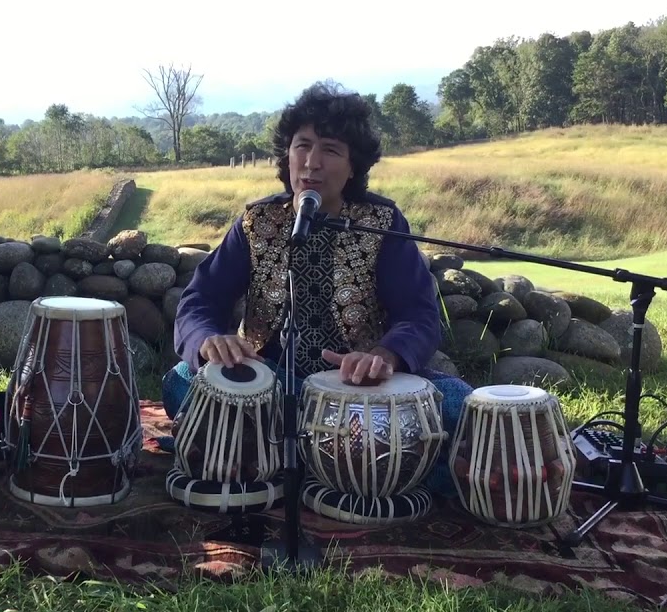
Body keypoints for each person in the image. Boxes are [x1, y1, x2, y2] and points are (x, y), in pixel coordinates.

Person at [164, 82, 472, 499]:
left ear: (352, 166)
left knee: (460, 403)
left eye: (330, 150)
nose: (311, 162)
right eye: (301, 146)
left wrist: (384, 356)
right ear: (286, 155)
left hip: (359, 392)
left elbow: (418, 314)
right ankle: (350, 465)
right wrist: (209, 342)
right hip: (269, 387)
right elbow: (201, 300)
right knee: (181, 381)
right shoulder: (258, 221)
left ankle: (274, 457)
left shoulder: (381, 220)